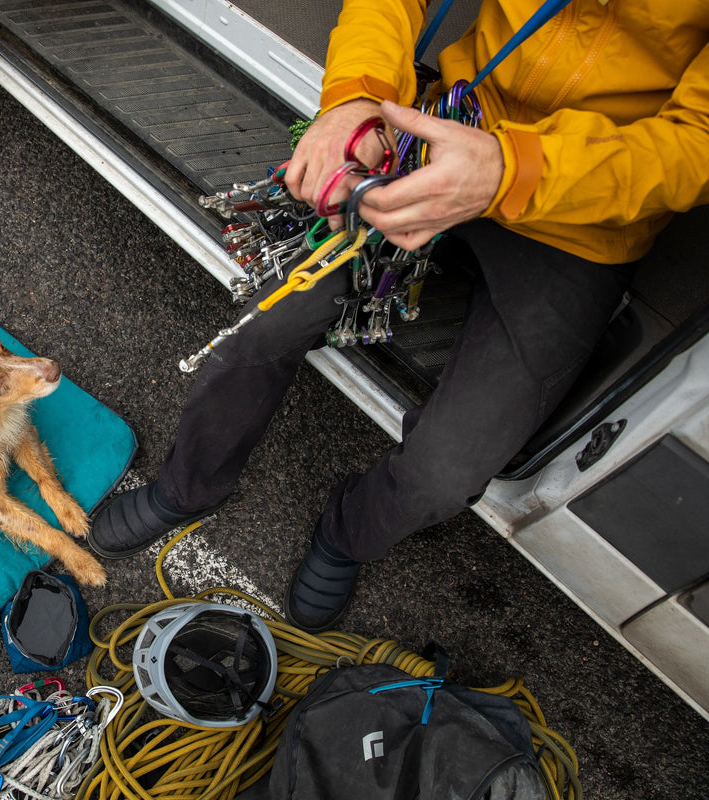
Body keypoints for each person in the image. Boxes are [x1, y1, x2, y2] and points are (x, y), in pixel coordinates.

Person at [88, 0, 709, 632]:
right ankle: (187, 486)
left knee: (447, 473)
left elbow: (698, 142)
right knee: (265, 324)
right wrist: (357, 97)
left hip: (583, 216)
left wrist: (516, 168)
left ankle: (348, 535)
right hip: (450, 126)